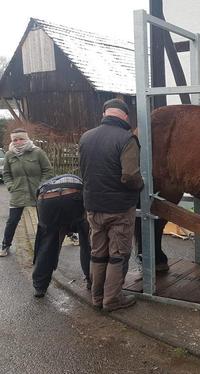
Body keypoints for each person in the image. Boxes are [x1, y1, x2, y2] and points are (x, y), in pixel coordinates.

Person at [79, 98, 143, 312]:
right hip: (119, 209)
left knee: (98, 253)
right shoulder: (127, 139)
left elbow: (85, 171)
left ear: (105, 114)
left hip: (93, 207)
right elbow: (130, 175)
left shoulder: (86, 137)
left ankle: (97, 298)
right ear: (125, 116)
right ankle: (112, 300)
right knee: (117, 256)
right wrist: (140, 187)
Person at [32, 174, 91, 298]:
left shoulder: (46, 185)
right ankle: (91, 279)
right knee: (86, 240)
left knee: (47, 244)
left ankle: (40, 287)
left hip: (45, 199)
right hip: (73, 195)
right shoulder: (79, 180)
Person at [0, 128, 53, 257]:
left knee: (46, 219)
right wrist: (11, 186)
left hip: (38, 193)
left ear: (27, 138)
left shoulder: (37, 152)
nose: (18, 142)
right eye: (15, 140)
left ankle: (49, 246)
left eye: (21, 139)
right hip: (18, 193)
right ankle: (5, 245)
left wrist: (41, 186)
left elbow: (48, 171)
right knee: (12, 221)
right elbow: (6, 173)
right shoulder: (9, 155)